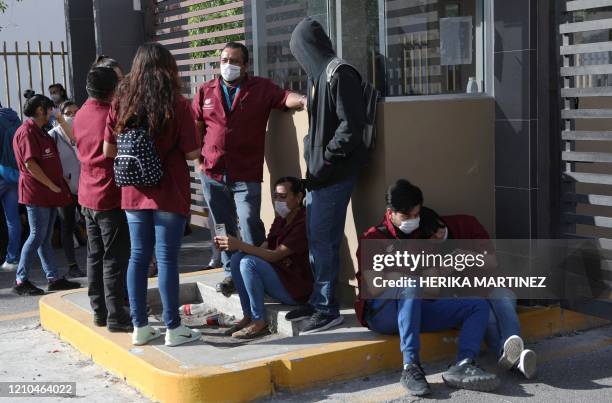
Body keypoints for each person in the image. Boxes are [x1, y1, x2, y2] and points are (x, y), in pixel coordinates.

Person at [354, 180, 499, 396]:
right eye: (407, 216)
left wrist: (436, 273)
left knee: (477, 306)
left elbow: (432, 290)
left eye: (416, 215)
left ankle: (463, 365)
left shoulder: (422, 237)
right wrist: (411, 279)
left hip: (418, 307)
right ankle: (410, 367)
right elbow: (374, 287)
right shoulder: (373, 237)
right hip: (383, 313)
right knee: (410, 285)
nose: (413, 220)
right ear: (390, 212)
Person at [104, 43, 202, 346]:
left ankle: (140, 327)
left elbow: (107, 150)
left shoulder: (121, 101)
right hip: (169, 191)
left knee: (137, 256)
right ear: (168, 67)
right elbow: (192, 153)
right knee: (167, 260)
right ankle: (173, 328)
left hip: (133, 191)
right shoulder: (177, 103)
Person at [192, 41, 307, 296]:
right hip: (212, 172)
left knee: (248, 220)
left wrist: (303, 100)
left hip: (246, 173)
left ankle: (255, 270)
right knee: (222, 226)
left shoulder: (260, 88)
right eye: (224, 60)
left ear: (245, 66)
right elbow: (196, 125)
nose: (227, 65)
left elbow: (284, 97)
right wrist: (199, 163)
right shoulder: (206, 91)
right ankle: (230, 273)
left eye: (233, 61)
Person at [287, 18, 369, 333]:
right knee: (317, 241)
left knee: (324, 242)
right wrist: (313, 153)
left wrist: (325, 158)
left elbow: (351, 127)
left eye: (299, 50)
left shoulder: (339, 73)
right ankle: (318, 299)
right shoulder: (318, 77)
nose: (299, 58)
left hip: (334, 174)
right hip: (321, 175)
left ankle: (327, 309)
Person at [418, 206, 537, 379]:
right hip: (467, 297)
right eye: (431, 236)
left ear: (441, 220)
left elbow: (492, 262)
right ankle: (518, 361)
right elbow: (432, 287)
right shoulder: (424, 248)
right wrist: (443, 270)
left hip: (493, 284)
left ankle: (510, 355)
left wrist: (469, 256)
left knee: (504, 302)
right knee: (487, 318)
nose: (438, 235)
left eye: (439, 229)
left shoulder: (466, 223)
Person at [216, 177, 313, 339]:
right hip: (280, 277)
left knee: (248, 262)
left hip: (295, 290)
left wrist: (239, 244)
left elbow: (275, 256)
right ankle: (248, 315)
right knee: (238, 259)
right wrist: (233, 246)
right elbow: (264, 248)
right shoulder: (281, 219)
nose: (278, 201)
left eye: (283, 196)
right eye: (275, 196)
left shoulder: (303, 222)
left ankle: (259, 321)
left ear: (298, 197)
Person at [73, 67, 132, 332]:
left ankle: (99, 310)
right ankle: (117, 316)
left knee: (95, 256)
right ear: (112, 90)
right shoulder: (110, 115)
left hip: (87, 195)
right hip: (109, 195)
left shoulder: (81, 113)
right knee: (114, 259)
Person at [11, 93, 80, 295]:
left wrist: (54, 186)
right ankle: (20, 280)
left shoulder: (40, 131)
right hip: (37, 193)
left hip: (47, 193)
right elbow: (30, 164)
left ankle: (53, 277)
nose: (53, 112)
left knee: (45, 236)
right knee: (36, 235)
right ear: (41, 110)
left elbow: (73, 140)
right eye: (50, 109)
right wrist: (51, 185)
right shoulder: (27, 132)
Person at [48, 100, 84, 278]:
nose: (73, 116)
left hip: (84, 187)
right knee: (67, 226)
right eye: (68, 113)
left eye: (76, 112)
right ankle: (72, 265)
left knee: (91, 226)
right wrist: (59, 177)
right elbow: (48, 162)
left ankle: (96, 262)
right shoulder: (53, 135)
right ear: (60, 115)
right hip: (66, 188)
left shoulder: (82, 131)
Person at [0, 102, 22, 272]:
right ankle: (12, 258)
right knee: (12, 219)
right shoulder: (15, 118)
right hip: (14, 174)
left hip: (1, 172)